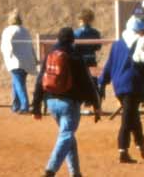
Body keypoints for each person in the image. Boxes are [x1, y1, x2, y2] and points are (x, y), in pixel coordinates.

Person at [34, 27, 102, 177]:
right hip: (69, 103)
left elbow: (40, 80)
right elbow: (87, 82)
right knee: (66, 135)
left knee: (68, 136)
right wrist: (96, 105)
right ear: (72, 40)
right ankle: (50, 169)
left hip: (51, 101)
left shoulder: (50, 54)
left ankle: (75, 173)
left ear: (58, 39)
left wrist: (36, 105)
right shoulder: (75, 56)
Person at [99, 13, 144, 164]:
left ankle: (141, 145)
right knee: (128, 118)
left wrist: (103, 81)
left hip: (119, 86)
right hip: (133, 84)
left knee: (133, 115)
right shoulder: (139, 44)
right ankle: (123, 150)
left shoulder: (117, 44)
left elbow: (109, 65)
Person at [1, 10, 36, 113]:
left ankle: (24, 106)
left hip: (15, 62)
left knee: (19, 84)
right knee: (16, 83)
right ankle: (16, 105)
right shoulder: (25, 30)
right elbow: (31, 46)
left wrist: (9, 56)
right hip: (26, 61)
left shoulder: (8, 30)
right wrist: (34, 59)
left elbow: (6, 46)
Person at [73, 8, 103, 94]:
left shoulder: (76, 33)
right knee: (93, 80)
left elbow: (74, 47)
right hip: (92, 59)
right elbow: (98, 47)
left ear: (81, 20)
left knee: (80, 80)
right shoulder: (96, 32)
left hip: (80, 60)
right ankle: (95, 101)